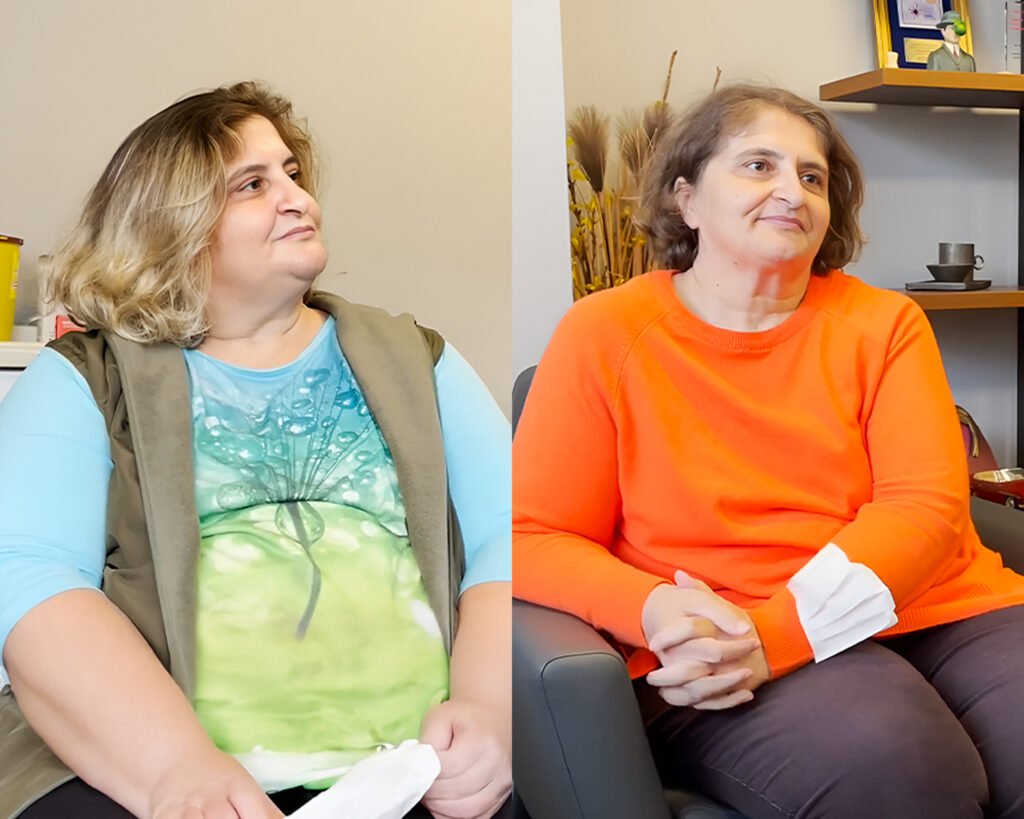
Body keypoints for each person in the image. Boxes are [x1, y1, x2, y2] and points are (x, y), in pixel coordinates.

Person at [0, 82, 511, 819]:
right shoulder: (84, 377)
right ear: (172, 224)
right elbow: (31, 577)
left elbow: (508, 534)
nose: (298, 198)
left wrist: (491, 713)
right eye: (253, 184)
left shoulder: (413, 356)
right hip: (157, 768)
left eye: (292, 175)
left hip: (416, 770)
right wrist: (176, 770)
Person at [513, 84, 1024, 818]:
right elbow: (534, 533)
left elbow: (922, 509)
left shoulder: (885, 324)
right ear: (687, 198)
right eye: (759, 165)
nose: (792, 190)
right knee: (900, 769)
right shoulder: (605, 333)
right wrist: (651, 608)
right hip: (724, 632)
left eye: (812, 176)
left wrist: (779, 633)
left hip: (932, 608)